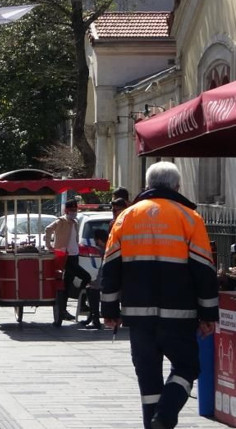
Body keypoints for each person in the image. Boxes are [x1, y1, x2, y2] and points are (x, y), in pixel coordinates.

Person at [102, 161, 219, 429]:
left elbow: (110, 269)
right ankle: (165, 417)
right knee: (187, 367)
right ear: (177, 186)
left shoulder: (126, 217)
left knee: (148, 380)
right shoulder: (189, 218)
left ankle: (154, 423)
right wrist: (208, 314)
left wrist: (109, 312)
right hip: (179, 315)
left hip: (138, 318)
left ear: (147, 185)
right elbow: (204, 271)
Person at [44, 198, 90, 321]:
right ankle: (82, 304)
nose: (74, 212)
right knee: (86, 277)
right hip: (66, 257)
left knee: (67, 284)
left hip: (75, 256)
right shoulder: (61, 221)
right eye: (71, 210)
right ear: (66, 210)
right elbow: (48, 230)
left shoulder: (75, 222)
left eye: (75, 210)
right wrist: (49, 246)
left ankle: (63, 310)